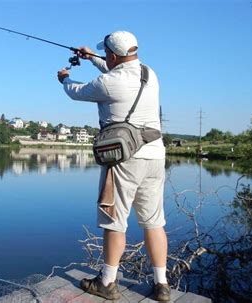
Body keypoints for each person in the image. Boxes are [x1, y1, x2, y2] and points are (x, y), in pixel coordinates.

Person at [57, 31, 170, 301]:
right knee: (153, 222)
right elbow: (116, 68)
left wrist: (64, 79)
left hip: (124, 159)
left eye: (105, 53)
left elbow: (77, 92)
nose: (104, 56)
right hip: (155, 156)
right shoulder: (148, 73)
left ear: (114, 55)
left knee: (114, 222)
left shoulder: (107, 83)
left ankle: (107, 282)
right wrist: (94, 57)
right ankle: (162, 285)